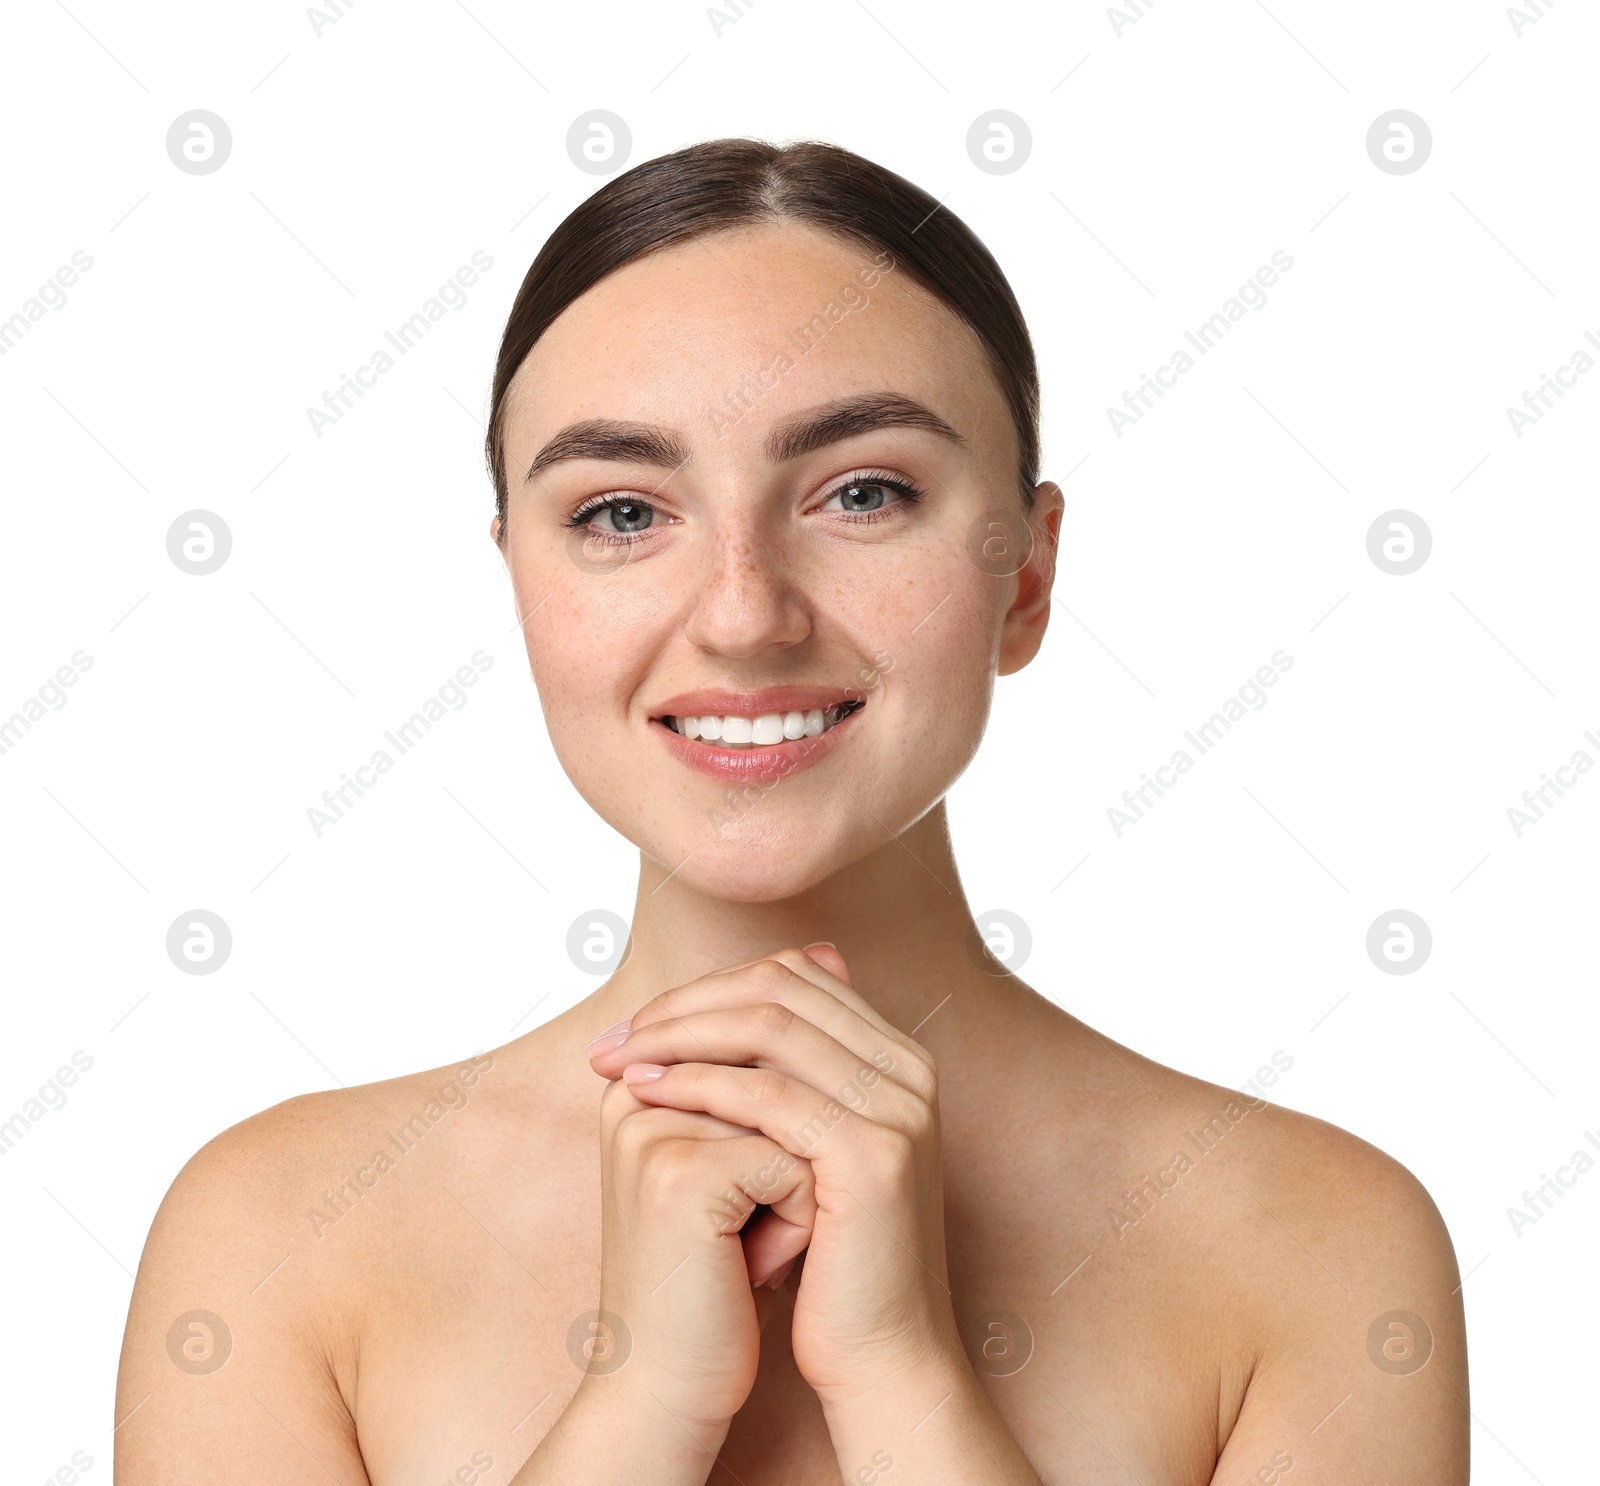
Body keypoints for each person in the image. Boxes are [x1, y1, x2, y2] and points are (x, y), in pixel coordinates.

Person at [115, 138, 1469, 1484]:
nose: (745, 611)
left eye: (864, 492)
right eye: (624, 512)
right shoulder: (271, 1242)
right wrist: (642, 1398)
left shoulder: (1318, 1245)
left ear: (1026, 574)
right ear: (519, 581)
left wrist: (900, 1374)